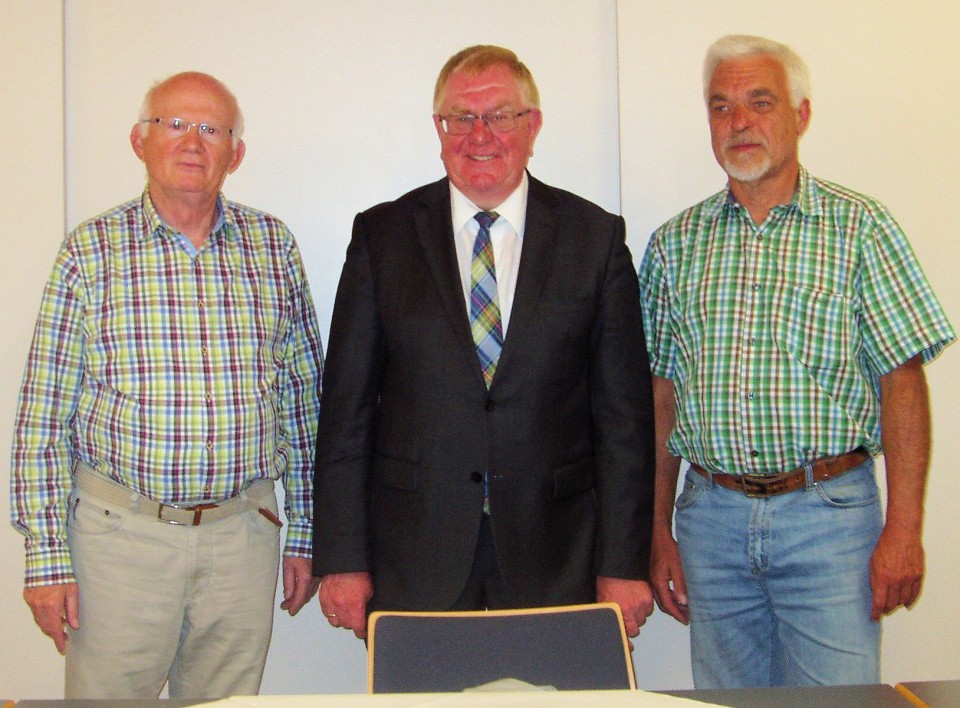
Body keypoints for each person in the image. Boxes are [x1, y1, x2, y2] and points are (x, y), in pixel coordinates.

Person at [638, 34, 955, 688]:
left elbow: (903, 383)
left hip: (830, 520)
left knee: (839, 703)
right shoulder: (673, 245)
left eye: (761, 102)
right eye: (722, 107)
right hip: (711, 522)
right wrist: (657, 528)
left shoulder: (861, 227)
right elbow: (660, 395)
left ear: (801, 115)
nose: (740, 122)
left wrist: (904, 530)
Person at [313, 45, 655, 639]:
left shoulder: (594, 239)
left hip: (558, 549)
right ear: (438, 129)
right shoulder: (382, 236)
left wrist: (623, 564)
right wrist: (342, 556)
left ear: (533, 125)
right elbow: (346, 412)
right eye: (460, 118)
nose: (480, 135)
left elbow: (624, 420)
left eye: (499, 115)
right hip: (416, 549)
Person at [10, 71, 324, 699]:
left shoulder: (273, 248)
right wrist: (47, 558)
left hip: (242, 537)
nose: (192, 142)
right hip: (118, 543)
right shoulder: (89, 252)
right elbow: (42, 418)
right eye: (173, 124)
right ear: (139, 141)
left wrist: (310, 532)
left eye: (212, 129)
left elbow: (305, 403)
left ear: (235, 153)